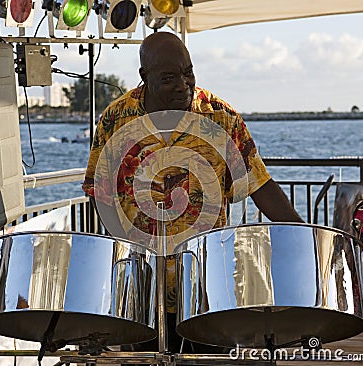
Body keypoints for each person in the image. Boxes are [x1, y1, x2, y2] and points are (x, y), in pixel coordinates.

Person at [82, 31, 303, 354]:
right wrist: (125, 257)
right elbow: (101, 194)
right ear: (145, 77)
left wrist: (305, 238)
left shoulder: (220, 117)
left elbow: (260, 184)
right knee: (145, 358)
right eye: (169, 78)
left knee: (210, 359)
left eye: (188, 72)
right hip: (144, 281)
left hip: (205, 281)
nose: (183, 84)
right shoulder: (116, 119)